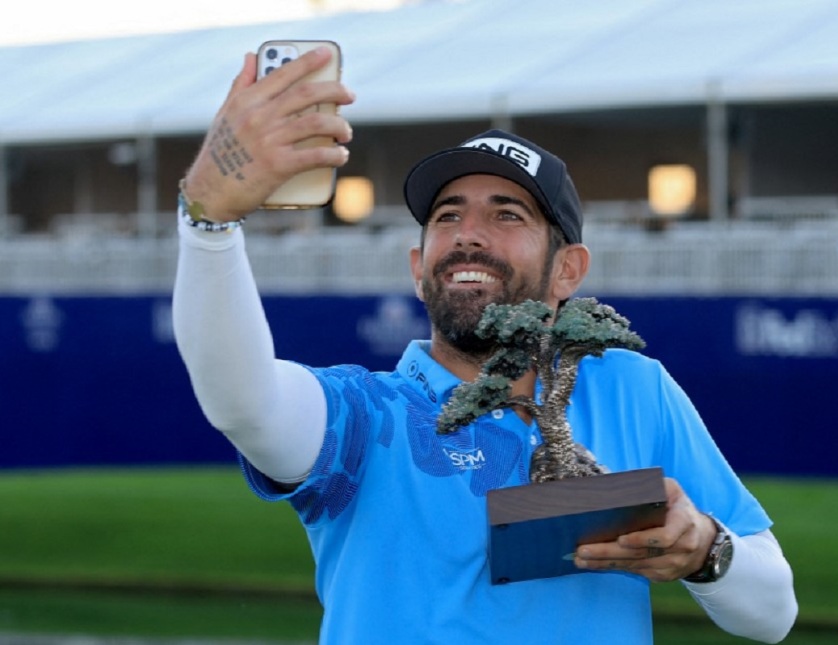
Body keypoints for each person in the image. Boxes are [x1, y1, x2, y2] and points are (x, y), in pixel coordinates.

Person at [172, 46, 797, 644]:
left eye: (507, 215)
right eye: (447, 216)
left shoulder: (631, 385)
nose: (468, 235)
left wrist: (707, 551)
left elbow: (772, 612)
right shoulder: (365, 416)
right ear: (418, 267)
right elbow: (243, 401)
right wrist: (209, 222)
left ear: (568, 271)